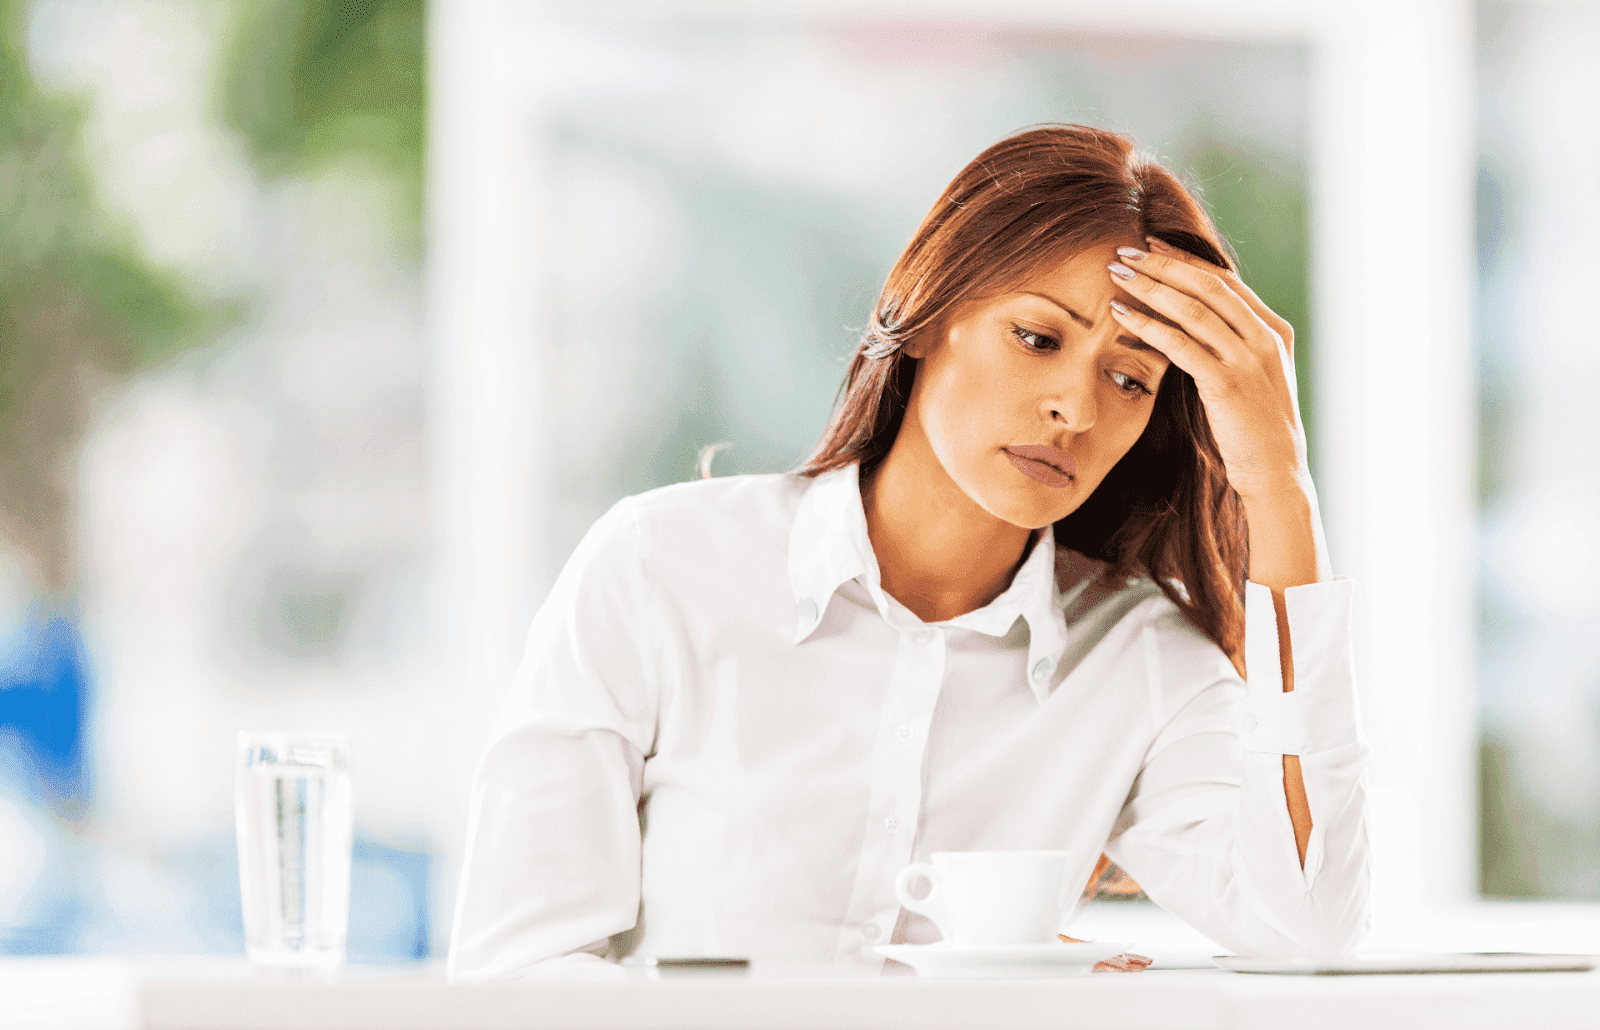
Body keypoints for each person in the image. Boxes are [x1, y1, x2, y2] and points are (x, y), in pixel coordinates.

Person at [447, 124, 1368, 981]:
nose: (1077, 410)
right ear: (929, 314)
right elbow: (519, 969)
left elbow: (1310, 923)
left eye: (1129, 379)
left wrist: (1280, 483)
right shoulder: (658, 571)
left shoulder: (1138, 659)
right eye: (1038, 338)